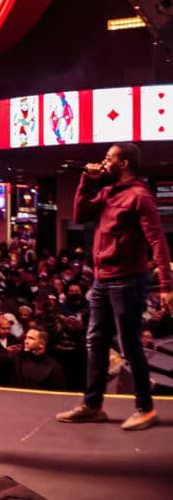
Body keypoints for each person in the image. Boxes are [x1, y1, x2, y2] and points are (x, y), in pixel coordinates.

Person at [58, 142, 173, 431]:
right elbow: (80, 214)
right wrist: (87, 179)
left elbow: (158, 241)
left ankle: (145, 408)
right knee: (95, 340)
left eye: (109, 158)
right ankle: (92, 405)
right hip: (103, 280)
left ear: (123, 164)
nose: (103, 162)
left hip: (129, 281)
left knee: (130, 345)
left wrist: (166, 286)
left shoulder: (140, 196)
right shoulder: (107, 192)